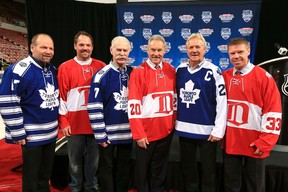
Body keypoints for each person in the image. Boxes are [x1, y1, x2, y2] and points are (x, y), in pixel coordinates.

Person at [0, 33, 59, 192]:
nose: (48, 51)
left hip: (51, 134)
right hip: (31, 136)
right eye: (44, 47)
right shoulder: (18, 70)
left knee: (44, 176)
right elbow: (8, 102)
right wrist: (18, 132)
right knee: (31, 179)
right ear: (32, 48)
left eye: (51, 48)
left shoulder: (52, 69)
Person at [222, 37, 282, 192]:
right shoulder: (224, 77)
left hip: (255, 143)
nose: (236, 56)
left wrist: (265, 142)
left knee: (255, 186)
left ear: (248, 51)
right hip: (231, 142)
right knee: (231, 186)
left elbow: (273, 111)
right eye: (232, 53)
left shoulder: (264, 78)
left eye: (240, 52)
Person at [175, 32, 227, 192]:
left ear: (205, 49)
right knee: (188, 170)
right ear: (186, 50)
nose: (194, 50)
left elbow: (222, 102)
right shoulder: (180, 70)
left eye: (198, 47)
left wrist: (219, 129)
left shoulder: (214, 71)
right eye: (191, 47)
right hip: (184, 130)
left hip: (207, 132)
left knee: (208, 171)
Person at [57, 31, 106, 192]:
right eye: (82, 45)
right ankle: (75, 187)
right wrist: (63, 121)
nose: (85, 48)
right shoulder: (65, 67)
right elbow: (61, 97)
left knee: (93, 160)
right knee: (74, 161)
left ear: (92, 47)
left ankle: (91, 186)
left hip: (95, 123)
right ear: (75, 46)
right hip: (74, 123)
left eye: (88, 45)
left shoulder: (101, 66)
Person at [128, 34, 177, 192]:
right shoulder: (138, 72)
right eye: (153, 50)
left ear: (165, 51)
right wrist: (138, 133)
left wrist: (172, 124)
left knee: (159, 169)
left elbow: (174, 99)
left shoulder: (171, 70)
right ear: (147, 50)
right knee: (142, 171)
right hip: (146, 134)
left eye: (159, 50)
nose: (156, 53)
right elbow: (133, 104)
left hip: (166, 131)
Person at [87, 36, 133, 192]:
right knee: (106, 166)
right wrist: (100, 134)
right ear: (111, 50)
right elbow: (94, 106)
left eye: (124, 50)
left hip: (128, 133)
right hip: (107, 134)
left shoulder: (134, 73)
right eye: (118, 50)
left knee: (124, 166)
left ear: (129, 52)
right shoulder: (101, 75)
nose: (121, 53)